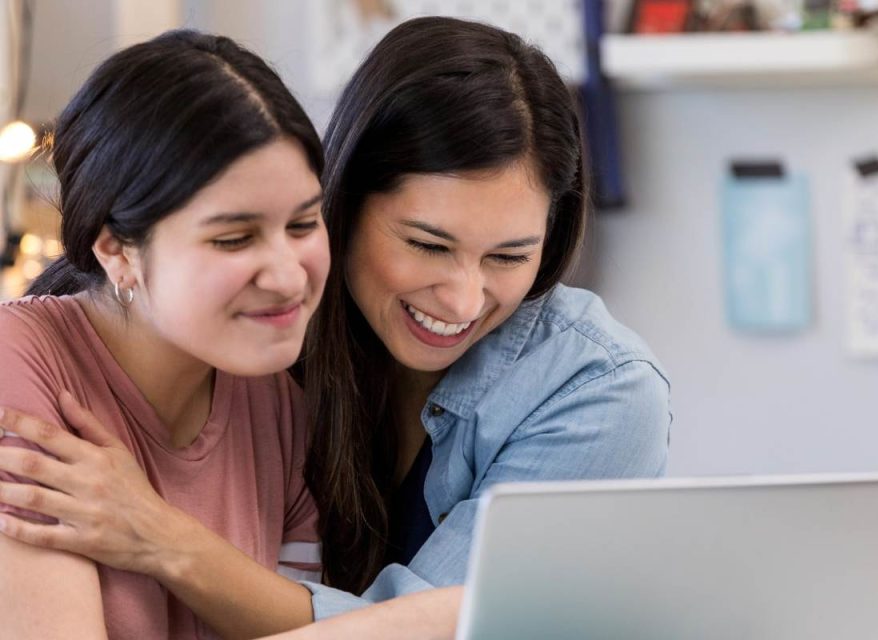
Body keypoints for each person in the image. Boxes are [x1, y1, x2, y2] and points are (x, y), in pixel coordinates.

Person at [0, 16, 671, 634]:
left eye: (509, 256)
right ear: (347, 203)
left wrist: (159, 536)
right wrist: (467, 617)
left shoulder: (593, 387)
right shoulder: (264, 354)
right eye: (427, 245)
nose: (465, 299)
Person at [0, 29, 458, 640]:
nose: (289, 274)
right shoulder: (19, 373)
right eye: (234, 238)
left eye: (302, 223)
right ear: (117, 251)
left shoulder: (278, 409)